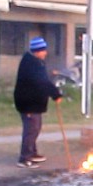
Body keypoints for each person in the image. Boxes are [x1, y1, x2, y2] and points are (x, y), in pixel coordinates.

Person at [13, 36, 62, 169]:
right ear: (37, 51)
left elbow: (42, 80)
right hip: (28, 103)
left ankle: (32, 153)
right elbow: (41, 82)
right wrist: (55, 94)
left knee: (35, 129)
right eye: (43, 50)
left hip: (33, 102)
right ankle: (24, 158)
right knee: (31, 130)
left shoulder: (35, 62)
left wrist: (50, 76)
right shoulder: (32, 64)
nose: (45, 52)